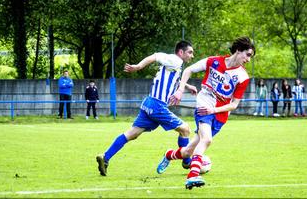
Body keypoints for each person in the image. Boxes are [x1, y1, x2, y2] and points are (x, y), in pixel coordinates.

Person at [156, 37, 255, 189]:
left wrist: (214, 110)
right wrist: (181, 89)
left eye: (251, 56)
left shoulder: (243, 77)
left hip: (219, 114)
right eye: (247, 54)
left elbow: (234, 105)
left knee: (189, 151)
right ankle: (193, 175)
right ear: (238, 50)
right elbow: (188, 70)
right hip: (204, 104)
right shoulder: (213, 61)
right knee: (207, 139)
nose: (248, 59)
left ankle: (169, 154)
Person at [96, 40, 197, 176]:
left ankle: (105, 157)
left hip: (148, 103)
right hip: (157, 106)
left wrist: (188, 86)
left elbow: (173, 80)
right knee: (185, 129)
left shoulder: (174, 66)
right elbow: (155, 56)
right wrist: (138, 66)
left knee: (132, 134)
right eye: (190, 52)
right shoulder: (175, 60)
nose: (192, 55)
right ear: (181, 52)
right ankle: (187, 161)